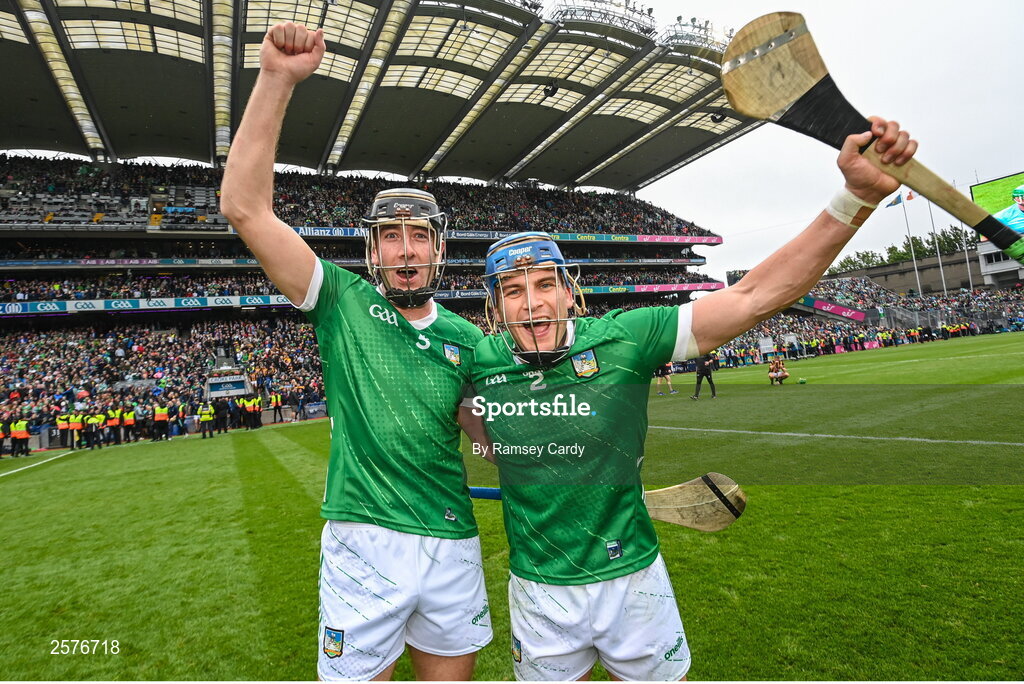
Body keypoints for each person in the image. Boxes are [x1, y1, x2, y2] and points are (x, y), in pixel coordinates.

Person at [469, 115, 916, 681]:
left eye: (543, 285)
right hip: (539, 589)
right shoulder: (478, 361)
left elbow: (754, 296)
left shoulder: (626, 337)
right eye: (513, 291)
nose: (531, 304)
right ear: (494, 307)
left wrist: (856, 196)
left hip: (633, 578)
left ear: (568, 288)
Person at [220, 21, 492, 681]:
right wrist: (277, 79)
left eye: (418, 237)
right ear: (374, 249)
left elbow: (487, 436)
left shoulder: (468, 339)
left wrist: (544, 452)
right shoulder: (340, 301)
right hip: (361, 543)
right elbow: (245, 208)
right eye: (392, 236)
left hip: (451, 541)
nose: (405, 250)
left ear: (438, 249)